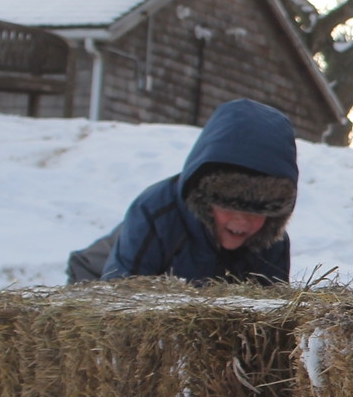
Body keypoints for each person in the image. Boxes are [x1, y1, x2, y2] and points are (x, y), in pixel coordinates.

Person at [101, 97, 297, 284]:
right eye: (229, 206)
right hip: (95, 277)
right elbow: (116, 299)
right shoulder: (156, 213)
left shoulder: (272, 241)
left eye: (257, 211)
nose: (242, 221)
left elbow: (272, 311)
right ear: (205, 199)